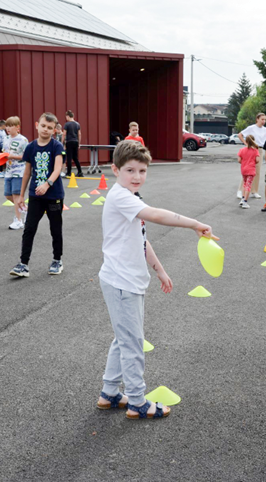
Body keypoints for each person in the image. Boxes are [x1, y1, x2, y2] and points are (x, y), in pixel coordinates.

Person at [96, 140, 217, 420]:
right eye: (130, 170)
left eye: (142, 171)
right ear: (115, 170)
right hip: (121, 282)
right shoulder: (121, 197)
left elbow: (142, 239)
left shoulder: (131, 197)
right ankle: (137, 401)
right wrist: (194, 223)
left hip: (129, 281)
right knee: (132, 343)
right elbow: (157, 215)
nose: (137, 177)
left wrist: (159, 269)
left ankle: (110, 393)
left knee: (123, 339)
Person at [9, 112, 65, 278]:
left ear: (54, 130)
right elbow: (27, 173)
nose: (45, 129)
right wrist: (20, 195)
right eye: (43, 126)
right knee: (29, 229)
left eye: (49, 127)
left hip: (54, 195)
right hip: (35, 196)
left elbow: (58, 168)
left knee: (55, 228)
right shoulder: (31, 147)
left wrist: (47, 184)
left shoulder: (56, 146)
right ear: (36, 125)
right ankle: (23, 264)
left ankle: (57, 260)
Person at [236, 113, 266, 199]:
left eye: (265, 119)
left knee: (257, 171)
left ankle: (254, 191)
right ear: (257, 119)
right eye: (262, 119)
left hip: (259, 149)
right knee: (247, 170)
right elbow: (240, 134)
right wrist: (246, 144)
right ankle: (240, 190)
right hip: (250, 149)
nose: (263, 121)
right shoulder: (251, 128)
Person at [2, 116, 29, 230]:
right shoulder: (6, 139)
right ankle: (26, 209)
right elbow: (4, 153)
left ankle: (18, 220)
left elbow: (27, 156)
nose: (8, 128)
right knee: (8, 195)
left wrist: (13, 156)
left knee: (16, 195)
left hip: (20, 172)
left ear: (18, 127)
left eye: (11, 125)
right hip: (8, 171)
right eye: (7, 125)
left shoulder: (23, 140)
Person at [237, 135, 259, 209]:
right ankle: (245, 201)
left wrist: (244, 162)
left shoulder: (242, 150)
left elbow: (239, 160)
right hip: (251, 170)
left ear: (246, 141)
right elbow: (257, 160)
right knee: (248, 186)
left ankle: (243, 198)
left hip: (244, 169)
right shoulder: (255, 151)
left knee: (244, 184)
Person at [63, 110, 83, 178]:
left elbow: (64, 134)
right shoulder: (77, 124)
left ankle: (69, 172)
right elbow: (79, 134)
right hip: (76, 141)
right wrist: (79, 143)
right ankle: (80, 171)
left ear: (68, 116)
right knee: (75, 157)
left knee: (69, 158)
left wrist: (62, 142)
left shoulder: (67, 124)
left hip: (69, 142)